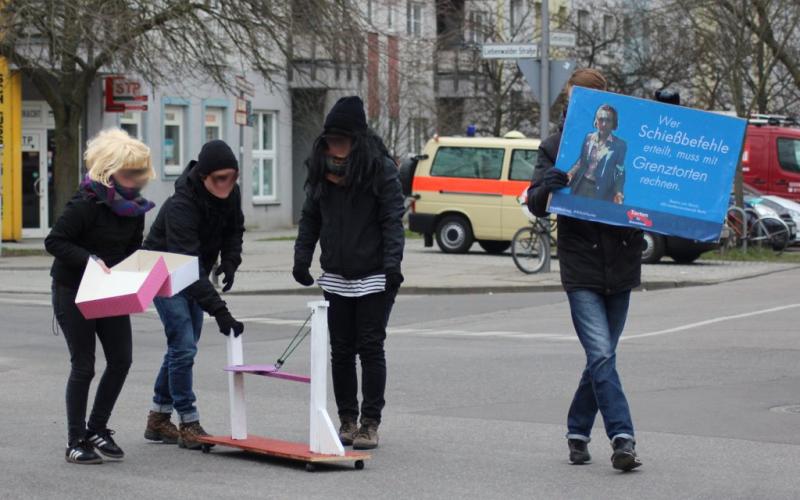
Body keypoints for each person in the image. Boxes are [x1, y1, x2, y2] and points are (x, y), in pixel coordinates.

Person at [527, 68, 644, 471]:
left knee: (602, 357)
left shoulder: (627, 143)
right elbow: (536, 202)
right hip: (581, 266)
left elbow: (641, 192)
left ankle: (577, 430)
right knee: (600, 354)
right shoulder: (556, 146)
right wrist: (550, 185)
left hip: (622, 263)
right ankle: (622, 437)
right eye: (578, 102)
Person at [293, 96, 405, 450]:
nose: (335, 148)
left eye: (341, 141)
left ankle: (370, 423)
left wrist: (392, 266)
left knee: (370, 348)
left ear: (356, 139)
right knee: (340, 350)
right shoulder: (320, 169)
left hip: (374, 273)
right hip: (336, 274)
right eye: (330, 141)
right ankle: (346, 419)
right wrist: (302, 258)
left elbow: (392, 220)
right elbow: (311, 217)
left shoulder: (379, 169)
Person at [45, 128, 156, 464]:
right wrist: (89, 260)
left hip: (109, 289)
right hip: (73, 289)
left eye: (140, 172)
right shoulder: (85, 203)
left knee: (121, 360)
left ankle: (97, 428)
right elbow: (55, 242)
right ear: (109, 171)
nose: (136, 179)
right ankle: (76, 440)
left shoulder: (135, 208)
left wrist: (145, 268)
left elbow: (132, 249)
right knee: (84, 366)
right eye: (129, 172)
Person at [142, 139, 245, 450]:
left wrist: (230, 260)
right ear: (204, 177)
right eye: (219, 179)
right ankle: (189, 421)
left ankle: (158, 419)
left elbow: (234, 229)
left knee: (181, 348)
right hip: (163, 272)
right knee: (184, 346)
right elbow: (186, 266)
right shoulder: (181, 206)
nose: (227, 185)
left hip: (193, 271)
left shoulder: (230, 194)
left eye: (232, 177)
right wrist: (220, 311)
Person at [568, 104, 627, 204]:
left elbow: (620, 171)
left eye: (608, 120)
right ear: (596, 121)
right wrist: (570, 174)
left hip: (602, 192)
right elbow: (581, 161)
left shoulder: (620, 145)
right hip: (581, 186)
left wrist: (618, 192)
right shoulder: (588, 138)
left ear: (614, 123)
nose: (603, 124)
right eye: (601, 119)